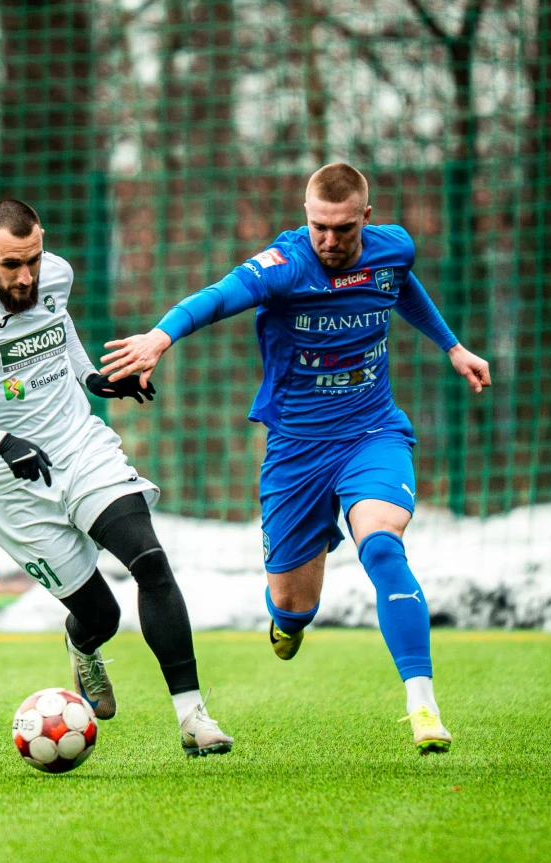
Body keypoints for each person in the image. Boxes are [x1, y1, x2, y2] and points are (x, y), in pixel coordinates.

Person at [99, 164, 492, 755]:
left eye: (342, 228)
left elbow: (400, 284)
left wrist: (453, 347)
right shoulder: (284, 265)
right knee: (294, 605)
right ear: (306, 217)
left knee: (383, 546)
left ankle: (423, 705)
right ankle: (287, 622)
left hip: (372, 433)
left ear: (366, 217)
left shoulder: (393, 249)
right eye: (318, 227)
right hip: (297, 450)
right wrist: (161, 336)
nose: (329, 240)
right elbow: (218, 297)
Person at [0, 199, 233, 757]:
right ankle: (82, 646)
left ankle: (193, 718)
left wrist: (90, 377)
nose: (25, 277)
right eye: (11, 265)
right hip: (8, 483)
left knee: (150, 561)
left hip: (79, 448)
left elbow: (58, 322)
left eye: (32, 259)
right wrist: (1, 442)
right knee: (101, 616)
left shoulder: (54, 273)